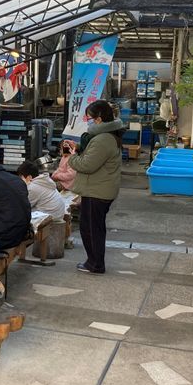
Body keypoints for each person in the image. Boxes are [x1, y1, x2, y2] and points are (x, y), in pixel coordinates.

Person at [64, 100, 123, 274]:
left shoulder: (103, 139)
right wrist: (80, 148)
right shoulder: (106, 134)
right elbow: (94, 154)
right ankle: (94, 262)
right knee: (93, 227)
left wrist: (71, 156)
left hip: (97, 191)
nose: (87, 120)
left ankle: (95, 264)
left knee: (91, 229)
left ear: (98, 119)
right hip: (100, 189)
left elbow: (87, 165)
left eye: (89, 118)